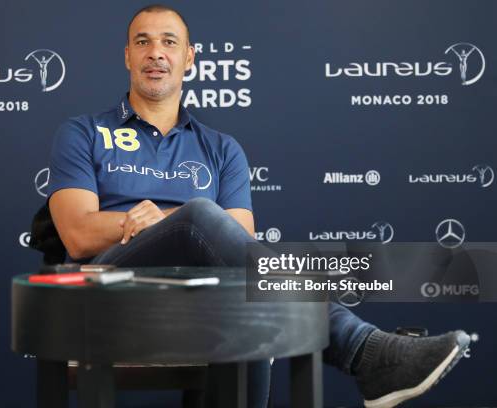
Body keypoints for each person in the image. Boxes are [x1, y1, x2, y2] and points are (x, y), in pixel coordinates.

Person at [46, 5, 470, 407]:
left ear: (189, 57)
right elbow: (79, 235)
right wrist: (163, 225)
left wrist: (166, 220)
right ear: (127, 55)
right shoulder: (84, 132)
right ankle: (362, 349)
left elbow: (240, 245)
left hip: (205, 301)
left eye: (169, 42)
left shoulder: (222, 148)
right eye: (143, 41)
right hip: (112, 296)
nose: (156, 52)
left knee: (248, 294)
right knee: (202, 222)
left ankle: (365, 352)